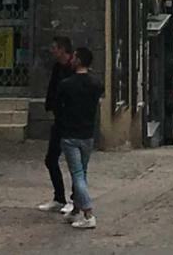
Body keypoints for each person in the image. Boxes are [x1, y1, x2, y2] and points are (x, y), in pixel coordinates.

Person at [55, 46, 104, 230]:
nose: (71, 59)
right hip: (87, 134)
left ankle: (88, 213)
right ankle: (76, 209)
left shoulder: (66, 84)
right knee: (82, 173)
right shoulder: (96, 84)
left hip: (70, 134)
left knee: (77, 174)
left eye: (74, 56)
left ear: (79, 60)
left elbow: (58, 107)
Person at [38, 35, 74, 213]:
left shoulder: (73, 68)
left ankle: (75, 200)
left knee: (74, 162)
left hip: (72, 122)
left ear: (62, 49)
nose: (51, 51)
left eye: (54, 47)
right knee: (51, 159)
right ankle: (59, 197)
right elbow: (53, 88)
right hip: (59, 120)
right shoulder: (57, 68)